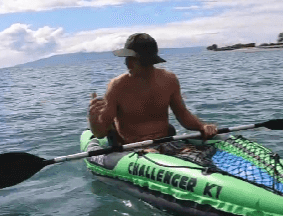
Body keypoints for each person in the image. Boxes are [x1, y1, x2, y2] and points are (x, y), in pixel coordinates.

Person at [88, 33, 217, 156]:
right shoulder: (117, 86)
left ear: (147, 60)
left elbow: (182, 114)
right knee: (153, 154)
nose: (126, 63)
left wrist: (202, 126)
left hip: (165, 143)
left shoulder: (169, 80)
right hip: (132, 148)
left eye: (132, 59)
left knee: (195, 153)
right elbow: (100, 133)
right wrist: (94, 120)